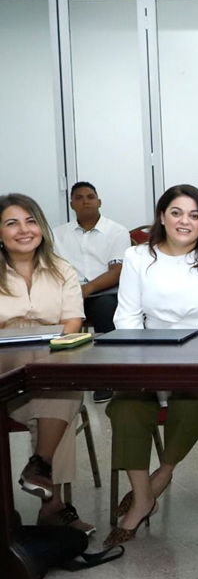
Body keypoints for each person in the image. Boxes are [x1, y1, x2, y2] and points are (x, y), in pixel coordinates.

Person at [105, 184, 198, 549]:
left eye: (194, 215)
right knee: (125, 407)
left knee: (192, 403)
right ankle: (142, 496)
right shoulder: (138, 256)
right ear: (162, 217)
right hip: (148, 357)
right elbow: (127, 318)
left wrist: (191, 359)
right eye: (177, 213)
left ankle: (162, 475)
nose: (185, 221)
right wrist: (143, 360)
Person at [2, 193, 91, 534]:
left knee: (63, 390)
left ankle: (40, 468)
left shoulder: (61, 270)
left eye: (30, 221)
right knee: (62, 404)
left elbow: (73, 323)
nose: (24, 230)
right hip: (4, 378)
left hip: (46, 372)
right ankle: (53, 505)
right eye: (12, 223)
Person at [52, 181, 129, 402]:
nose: (85, 201)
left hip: (103, 291)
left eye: (90, 197)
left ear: (99, 202)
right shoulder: (57, 235)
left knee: (106, 308)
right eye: (78, 198)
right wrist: (72, 292)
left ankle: (106, 378)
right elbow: (52, 270)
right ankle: (59, 377)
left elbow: (117, 271)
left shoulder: (117, 231)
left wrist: (86, 289)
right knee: (48, 311)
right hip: (68, 292)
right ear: (71, 204)